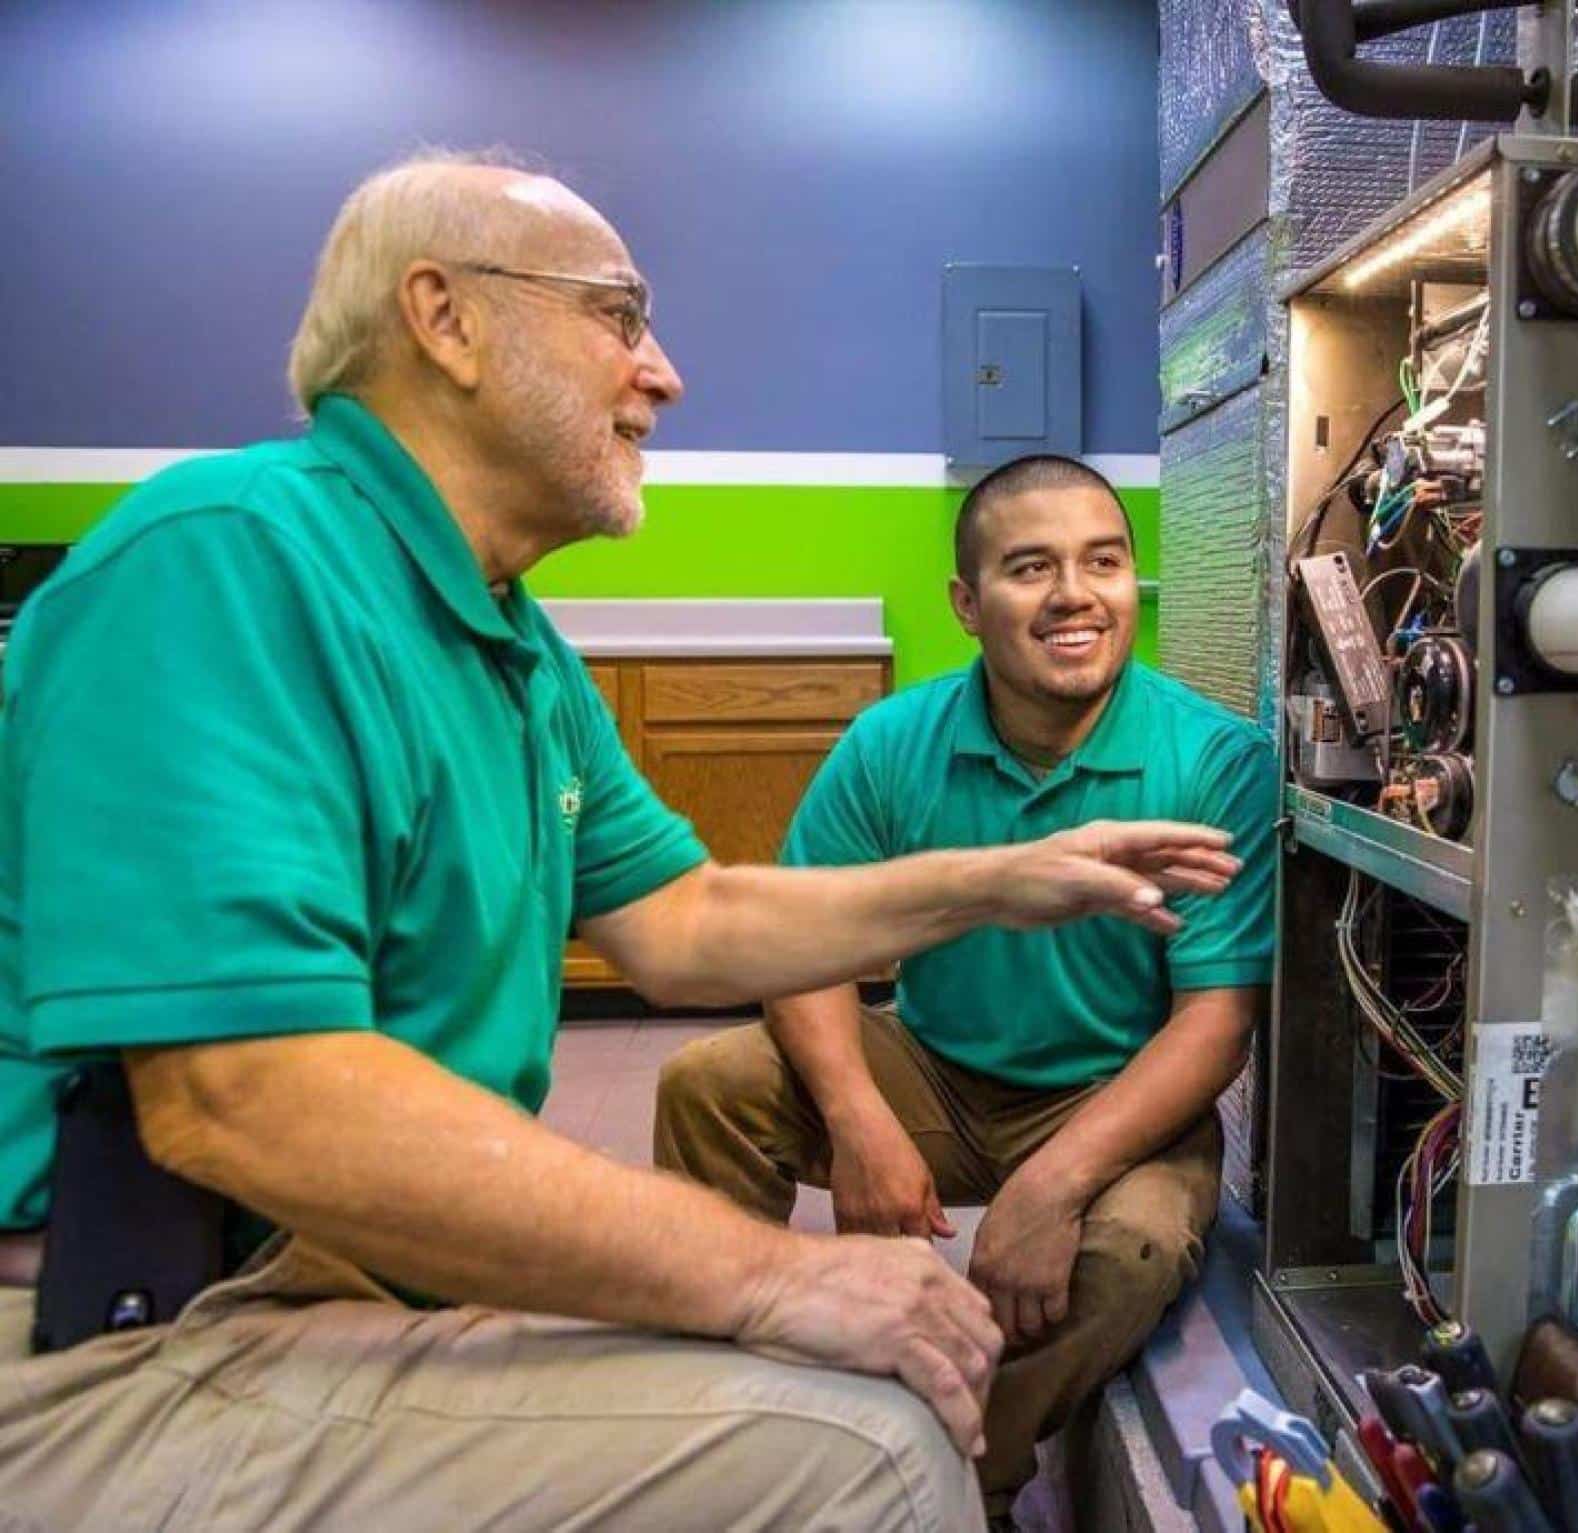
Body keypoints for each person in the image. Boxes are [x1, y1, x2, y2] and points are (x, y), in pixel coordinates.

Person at [0, 151, 1245, 1531]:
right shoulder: (229, 560)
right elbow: (247, 1100)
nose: (664, 374)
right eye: (617, 314)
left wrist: (997, 882)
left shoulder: (513, 648)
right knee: (876, 1453)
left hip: (352, 1280)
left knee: (840, 1392)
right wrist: (777, 1275)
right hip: (133, 1335)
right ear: (445, 318)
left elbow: (687, 920)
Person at [655, 454, 1278, 1519]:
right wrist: (859, 1120)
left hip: (1112, 1092)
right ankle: (744, 1419)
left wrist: (1049, 1188)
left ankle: (954, 1467)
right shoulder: (893, 742)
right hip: (934, 1070)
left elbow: (1214, 1025)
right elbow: (801, 947)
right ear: (966, 602)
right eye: (1030, 568)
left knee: (1136, 1247)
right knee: (707, 1086)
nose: (1074, 594)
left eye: (1103, 562)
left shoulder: (1215, 759)